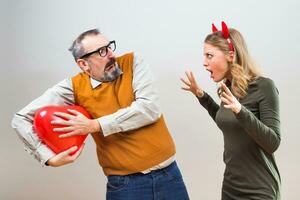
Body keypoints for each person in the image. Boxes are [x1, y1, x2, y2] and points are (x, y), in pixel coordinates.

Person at [12, 29, 189, 200]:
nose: (111, 54)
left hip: (170, 176)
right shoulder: (73, 87)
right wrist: (48, 158)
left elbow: (149, 109)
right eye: (101, 52)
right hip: (126, 186)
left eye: (109, 46)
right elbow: (20, 119)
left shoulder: (133, 62)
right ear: (83, 64)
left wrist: (95, 125)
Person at [181, 22, 281, 200]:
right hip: (230, 187)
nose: (204, 63)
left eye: (209, 55)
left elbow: (272, 142)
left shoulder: (264, 86)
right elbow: (226, 121)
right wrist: (201, 95)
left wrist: (241, 111)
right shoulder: (227, 88)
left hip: (259, 190)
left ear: (231, 55)